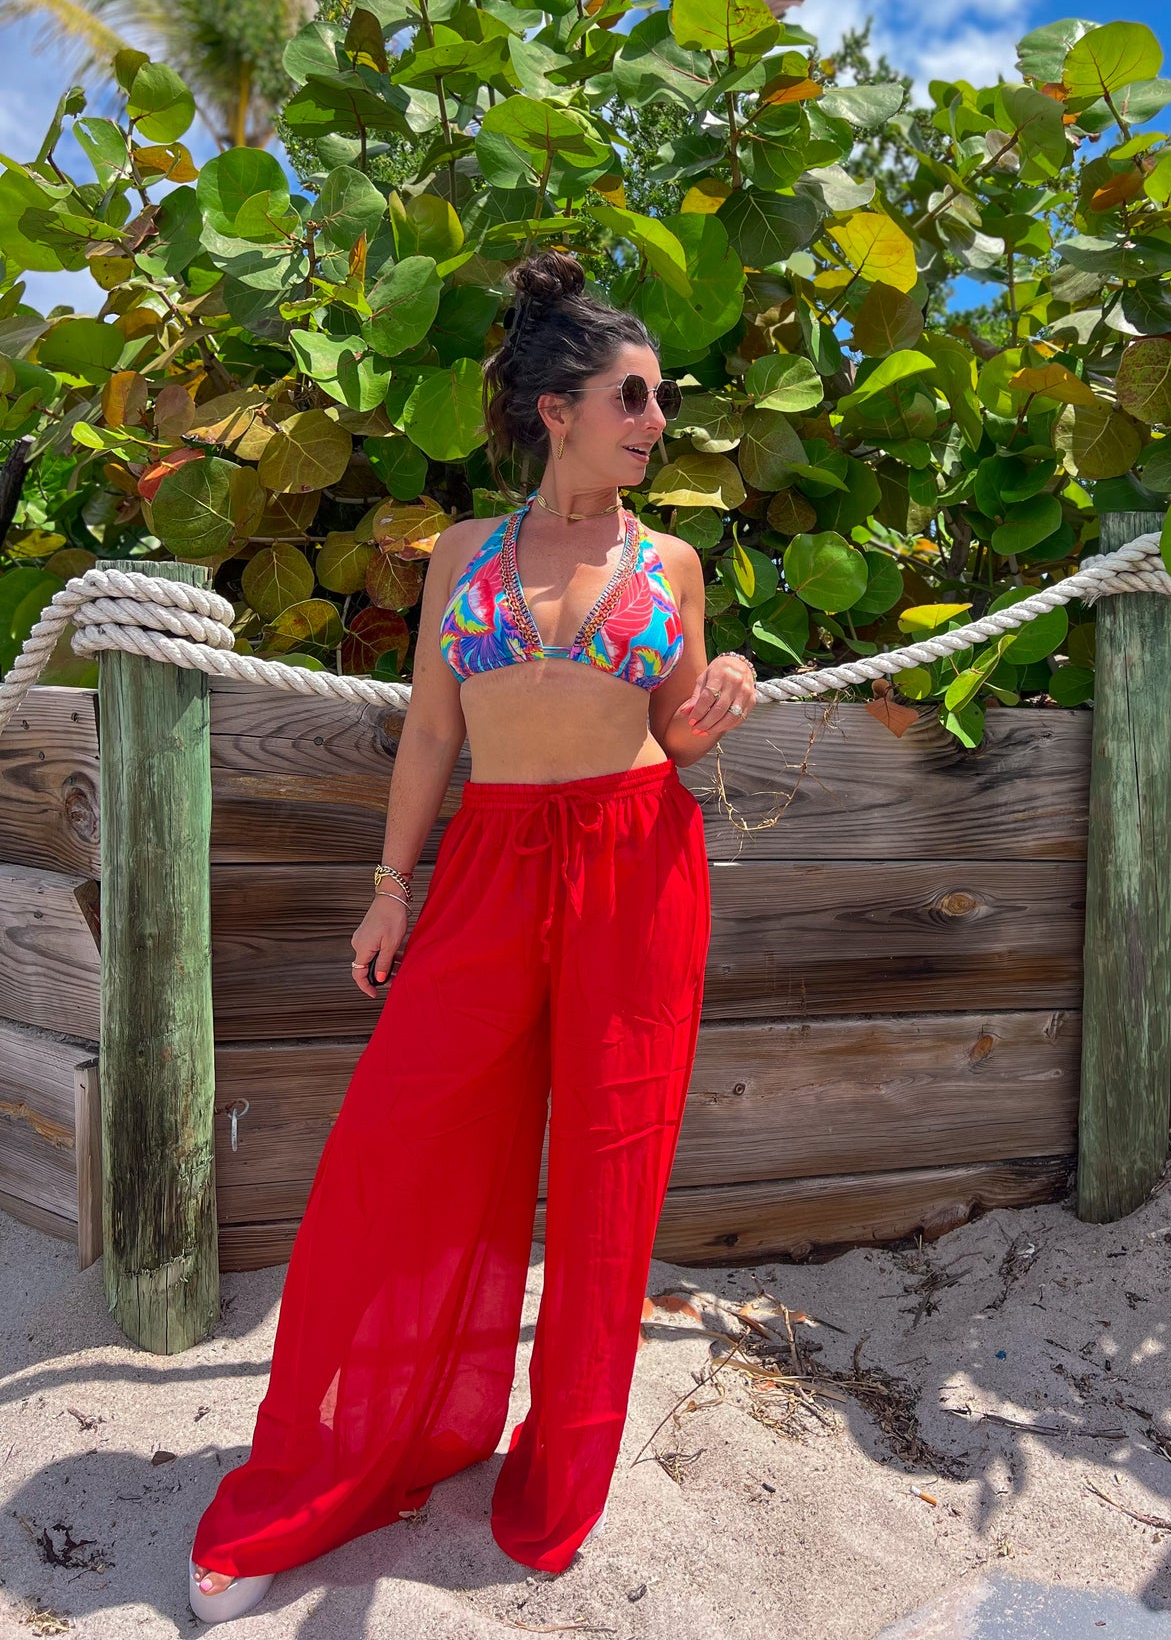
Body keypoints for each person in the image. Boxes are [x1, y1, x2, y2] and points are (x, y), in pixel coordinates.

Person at [187, 249, 756, 1621]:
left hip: (635, 865)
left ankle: (556, 1485)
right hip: (493, 867)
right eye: (632, 396)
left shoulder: (668, 561)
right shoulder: (464, 558)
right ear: (555, 408)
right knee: (399, 1141)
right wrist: (393, 885)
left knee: (610, 1180)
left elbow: (672, 735)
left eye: (659, 399)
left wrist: (723, 688)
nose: (655, 421)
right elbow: (434, 729)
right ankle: (359, 1452)